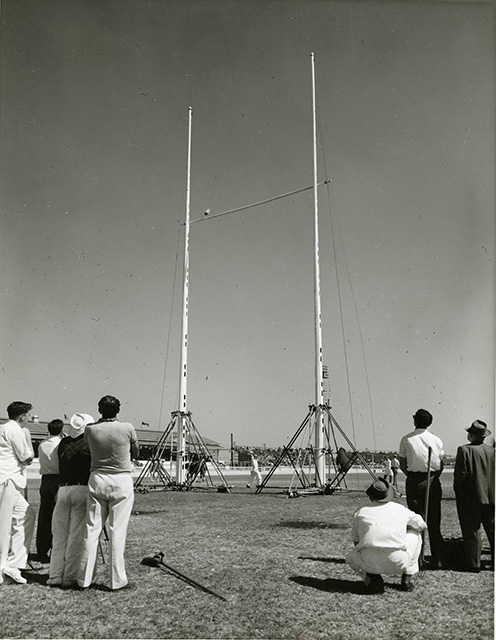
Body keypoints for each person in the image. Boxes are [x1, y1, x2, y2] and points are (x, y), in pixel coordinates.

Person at [78, 396, 139, 591]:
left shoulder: (90, 429)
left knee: (91, 529)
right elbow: (136, 452)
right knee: (117, 532)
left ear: (99, 410)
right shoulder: (127, 428)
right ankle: (117, 580)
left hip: (97, 478)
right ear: (118, 410)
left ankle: (84, 579)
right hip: (121, 479)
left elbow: (88, 449)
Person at [346, 479, 426, 593]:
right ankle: (408, 575)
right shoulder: (399, 509)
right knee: (416, 535)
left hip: (368, 561)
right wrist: (407, 528)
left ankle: (371, 577)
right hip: (398, 560)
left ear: (370, 496)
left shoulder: (361, 512)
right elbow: (422, 525)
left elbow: (356, 541)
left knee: (350, 557)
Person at [48, 413, 94, 587]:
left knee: (59, 534)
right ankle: (70, 576)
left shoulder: (63, 443)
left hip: (63, 489)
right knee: (76, 535)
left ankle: (54, 575)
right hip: (82, 488)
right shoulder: (88, 443)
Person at [398, 408, 446, 569]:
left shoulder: (406, 439)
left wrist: (413, 477)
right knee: (434, 522)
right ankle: (437, 559)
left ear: (415, 421)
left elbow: (403, 464)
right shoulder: (436, 440)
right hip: (431, 481)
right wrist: (431, 478)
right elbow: (441, 465)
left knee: (415, 522)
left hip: (416, 481)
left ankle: (416, 558)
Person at [0, 401, 36, 584]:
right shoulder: (15, 430)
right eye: (28, 415)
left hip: (8, 480)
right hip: (7, 480)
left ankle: (13, 565)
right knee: (4, 526)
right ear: (22, 416)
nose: (30, 418)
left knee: (27, 515)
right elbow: (27, 457)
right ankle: (2, 569)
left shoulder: (3, 428)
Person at [453, 419, 494, 572]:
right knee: (492, 529)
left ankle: (473, 563)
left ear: (471, 435)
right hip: (491, 497)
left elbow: (461, 476)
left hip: (472, 497)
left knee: (472, 530)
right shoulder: (492, 451)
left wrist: (460, 493)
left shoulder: (464, 450)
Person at [36, 418, 64, 562]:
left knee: (44, 515)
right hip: (57, 479)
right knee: (57, 516)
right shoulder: (60, 444)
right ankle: (55, 549)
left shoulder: (42, 444)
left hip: (45, 479)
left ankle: (42, 549)